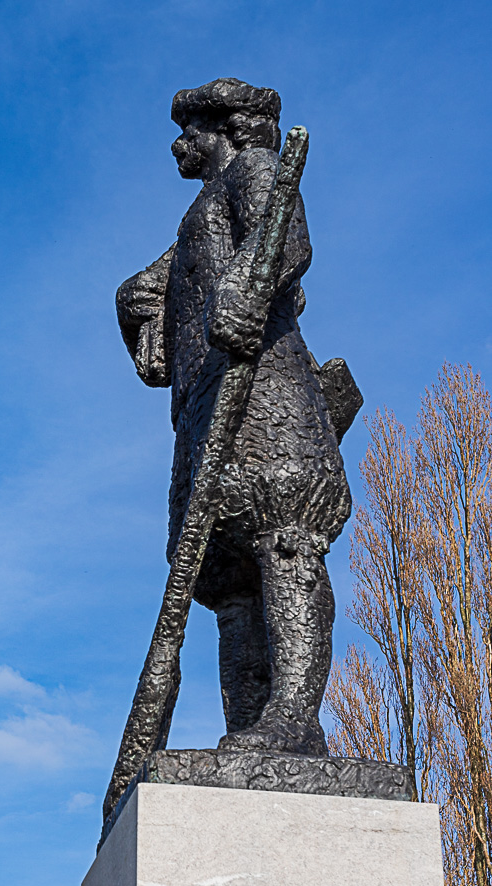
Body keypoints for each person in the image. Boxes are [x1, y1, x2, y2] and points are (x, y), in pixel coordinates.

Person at [116, 78, 355, 756]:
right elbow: (144, 290)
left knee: (284, 540)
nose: (177, 144)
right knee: (225, 581)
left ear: (222, 126)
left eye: (188, 130)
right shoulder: (199, 213)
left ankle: (294, 719)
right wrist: (144, 318)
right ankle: (250, 726)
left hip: (266, 396)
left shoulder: (253, 171)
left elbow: (288, 244)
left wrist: (249, 289)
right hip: (202, 409)